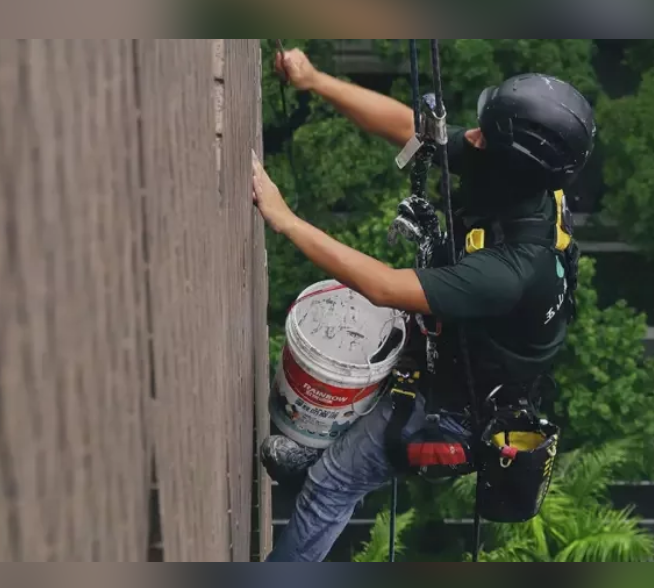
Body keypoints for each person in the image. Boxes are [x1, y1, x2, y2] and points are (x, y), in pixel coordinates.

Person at [251, 47, 596, 562]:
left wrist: (286, 219)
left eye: (483, 133)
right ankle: (320, 441)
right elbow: (414, 133)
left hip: (455, 404)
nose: (470, 136)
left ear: (512, 163)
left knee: (332, 484)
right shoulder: (521, 179)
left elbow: (387, 287)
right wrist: (314, 80)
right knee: (354, 340)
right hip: (444, 343)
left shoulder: (511, 271)